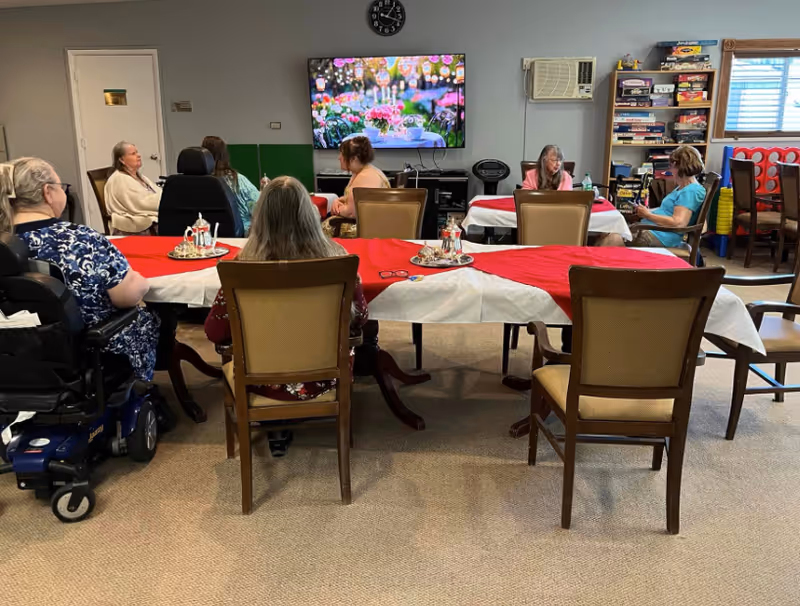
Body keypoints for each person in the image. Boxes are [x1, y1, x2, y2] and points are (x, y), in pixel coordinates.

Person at [205, 176, 368, 456]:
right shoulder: (338, 262)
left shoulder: (240, 269)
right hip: (326, 377)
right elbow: (360, 317)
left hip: (258, 380)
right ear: (309, 214)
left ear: (260, 218)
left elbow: (215, 333)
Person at [0, 157, 160, 381]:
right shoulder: (81, 239)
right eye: (61, 187)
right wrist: (141, 283)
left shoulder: (5, 244)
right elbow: (126, 296)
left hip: (18, 352)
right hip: (92, 351)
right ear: (48, 192)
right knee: (149, 318)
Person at [598, 145, 706, 248]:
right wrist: (646, 211)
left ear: (678, 166)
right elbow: (666, 211)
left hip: (660, 236)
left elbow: (678, 223)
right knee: (608, 231)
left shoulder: (691, 191)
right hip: (653, 231)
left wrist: (648, 215)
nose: (670, 169)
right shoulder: (683, 188)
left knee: (613, 238)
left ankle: (599, 265)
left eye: (671, 166)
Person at [322, 136, 390, 238]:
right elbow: (354, 199)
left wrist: (337, 209)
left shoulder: (366, 177)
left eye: (342, 153)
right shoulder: (362, 172)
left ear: (354, 158)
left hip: (370, 229)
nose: (339, 157)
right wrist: (338, 201)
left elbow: (351, 213)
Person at [201, 136, 261, 233]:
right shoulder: (238, 181)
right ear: (224, 155)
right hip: (239, 237)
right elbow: (262, 209)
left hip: (203, 236)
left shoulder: (194, 184)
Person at [104, 141, 161, 235]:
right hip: (130, 222)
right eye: (133, 154)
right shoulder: (120, 179)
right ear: (122, 160)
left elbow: (156, 192)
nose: (138, 156)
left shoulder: (139, 176)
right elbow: (140, 203)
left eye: (137, 152)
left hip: (145, 213)